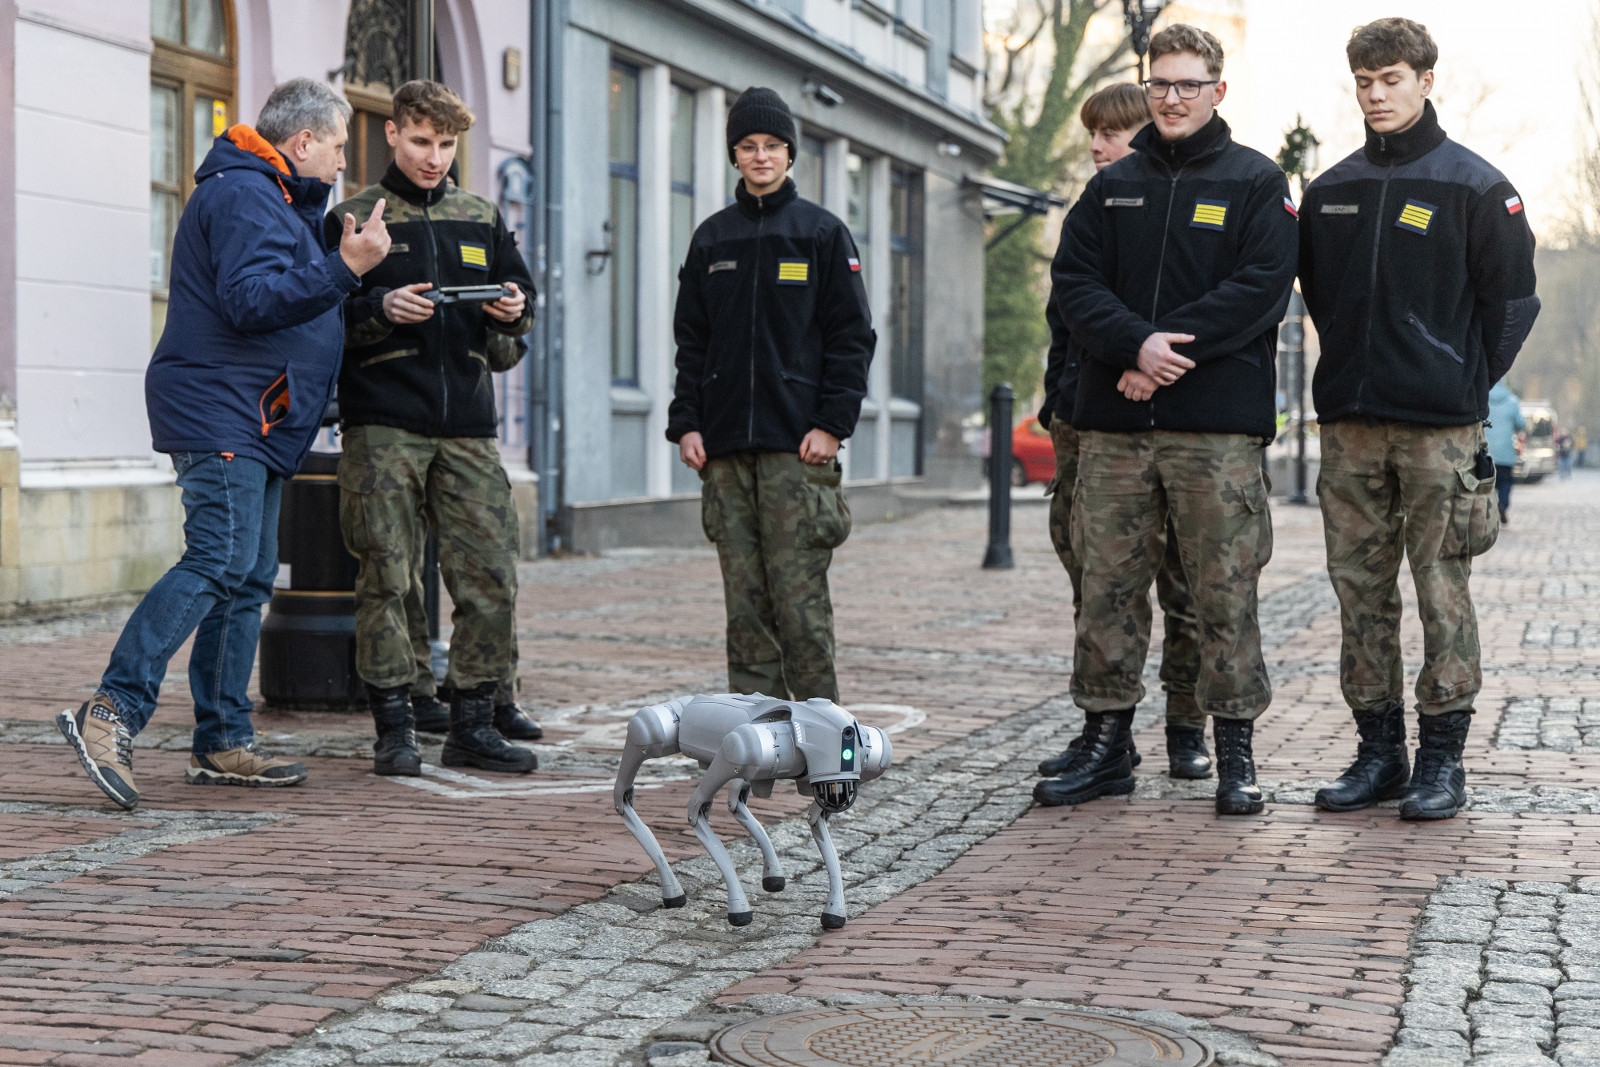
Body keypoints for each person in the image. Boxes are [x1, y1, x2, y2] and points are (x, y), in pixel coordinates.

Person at [56, 79, 387, 809]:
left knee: (249, 574)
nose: (340, 164)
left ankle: (222, 739)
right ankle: (110, 710)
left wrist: (357, 283)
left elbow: (285, 293)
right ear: (302, 142)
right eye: (336, 146)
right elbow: (250, 301)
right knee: (218, 561)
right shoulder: (246, 193)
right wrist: (345, 268)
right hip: (224, 411)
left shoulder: (278, 198)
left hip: (258, 416)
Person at [1038, 24, 1296, 815]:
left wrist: (1165, 350)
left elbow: (1261, 287)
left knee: (1223, 589)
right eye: (1159, 84)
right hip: (1115, 428)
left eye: (1188, 84)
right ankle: (1107, 742)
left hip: (1214, 430)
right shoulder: (1113, 186)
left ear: (1219, 90)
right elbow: (1075, 280)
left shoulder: (1256, 181)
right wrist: (1132, 342)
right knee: (1107, 586)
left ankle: (1233, 752)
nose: (1172, 98)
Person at [1300, 18, 1538, 821]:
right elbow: (1323, 302)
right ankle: (1379, 752)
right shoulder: (1330, 191)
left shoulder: (1476, 187)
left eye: (1391, 78)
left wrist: (1462, 381)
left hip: (1440, 429)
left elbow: (1513, 303)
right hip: (1352, 425)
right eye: (1364, 81)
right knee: (1359, 592)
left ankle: (1443, 761)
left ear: (1426, 80)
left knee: (1442, 590)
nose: (1376, 94)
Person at [327, 80, 537, 778]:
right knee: (386, 574)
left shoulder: (480, 216)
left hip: (468, 427)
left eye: (446, 145)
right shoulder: (356, 216)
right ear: (392, 134)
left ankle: (474, 720)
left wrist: (513, 314)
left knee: (490, 574)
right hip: (384, 424)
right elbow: (325, 324)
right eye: (421, 141)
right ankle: (394, 725)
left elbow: (520, 314)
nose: (434, 158)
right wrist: (382, 307)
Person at [667, 87, 875, 703]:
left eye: (773, 146)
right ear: (735, 155)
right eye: (749, 146)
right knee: (746, 607)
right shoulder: (711, 240)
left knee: (800, 603)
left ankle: (820, 738)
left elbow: (852, 338)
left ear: (790, 154)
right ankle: (754, 736)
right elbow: (691, 342)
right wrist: (688, 424)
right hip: (725, 450)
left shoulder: (822, 234)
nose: (761, 157)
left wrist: (833, 424)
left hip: (798, 450)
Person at [1035, 82, 1211, 783]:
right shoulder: (1092, 211)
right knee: (1097, 581)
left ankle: (1186, 726)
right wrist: (1057, 403)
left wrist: (1141, 369)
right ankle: (1107, 731)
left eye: (1109, 134)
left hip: (1167, 423)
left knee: (1186, 586)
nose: (1097, 147)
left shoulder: (1168, 215)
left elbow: (1186, 320)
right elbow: (1067, 316)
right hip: (1084, 425)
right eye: (1093, 136)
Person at [1486, 380, 1526, 523]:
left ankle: (1486, 511)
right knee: (1505, 482)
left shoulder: (1483, 397)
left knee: (1485, 482)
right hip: (1505, 453)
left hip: (1485, 451)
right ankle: (1502, 505)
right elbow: (1521, 424)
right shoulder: (1512, 401)